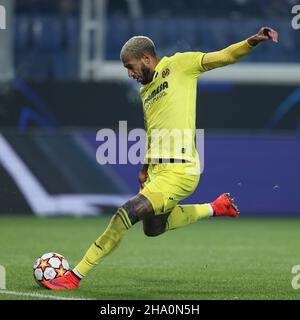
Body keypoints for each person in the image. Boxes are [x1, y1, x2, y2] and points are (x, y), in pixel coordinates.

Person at [42, 26, 278, 290]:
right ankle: (216, 207)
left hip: (181, 171)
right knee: (153, 228)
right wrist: (145, 168)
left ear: (146, 58)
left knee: (126, 214)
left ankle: (74, 277)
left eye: (130, 67)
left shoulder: (181, 65)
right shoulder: (145, 92)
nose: (129, 74)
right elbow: (153, 133)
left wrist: (252, 41)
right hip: (158, 171)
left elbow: (224, 56)